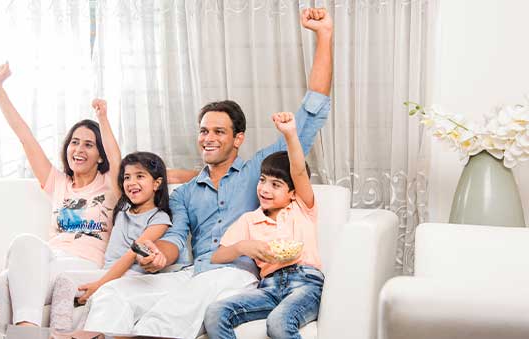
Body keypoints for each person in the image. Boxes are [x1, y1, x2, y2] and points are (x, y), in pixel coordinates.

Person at [82, 7, 333, 338]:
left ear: (238, 139)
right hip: (194, 272)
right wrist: (159, 257)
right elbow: (174, 237)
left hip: (237, 275)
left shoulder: (257, 173)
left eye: (218, 131)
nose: (208, 138)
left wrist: (324, 37)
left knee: (176, 309)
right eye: (204, 131)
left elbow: (309, 115)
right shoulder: (186, 192)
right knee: (113, 293)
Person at [0, 62, 121, 331]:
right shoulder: (57, 183)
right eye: (74, 142)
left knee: (6, 281)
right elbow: (24, 136)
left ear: (100, 155)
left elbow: (117, 157)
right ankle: (27, 332)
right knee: (24, 245)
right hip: (51, 258)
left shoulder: (111, 186)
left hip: (86, 266)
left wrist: (104, 119)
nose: (79, 149)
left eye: (88, 144)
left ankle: (26, 333)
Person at [205, 110, 323, 339]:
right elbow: (216, 256)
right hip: (268, 287)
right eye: (262, 181)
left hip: (305, 283)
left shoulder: (301, 207)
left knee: (278, 322)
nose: (265, 189)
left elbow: (298, 170)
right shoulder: (250, 219)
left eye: (276, 184)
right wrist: (242, 247)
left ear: (292, 192)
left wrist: (289, 134)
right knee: (215, 313)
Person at [49, 152, 173, 332]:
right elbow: (113, 156)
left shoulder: (159, 219)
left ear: (157, 183)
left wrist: (100, 284)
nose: (131, 182)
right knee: (65, 280)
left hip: (132, 275)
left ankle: (81, 334)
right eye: (127, 177)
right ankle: (59, 334)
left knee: (100, 299)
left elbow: (132, 255)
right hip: (108, 272)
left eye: (140, 176)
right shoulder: (123, 207)